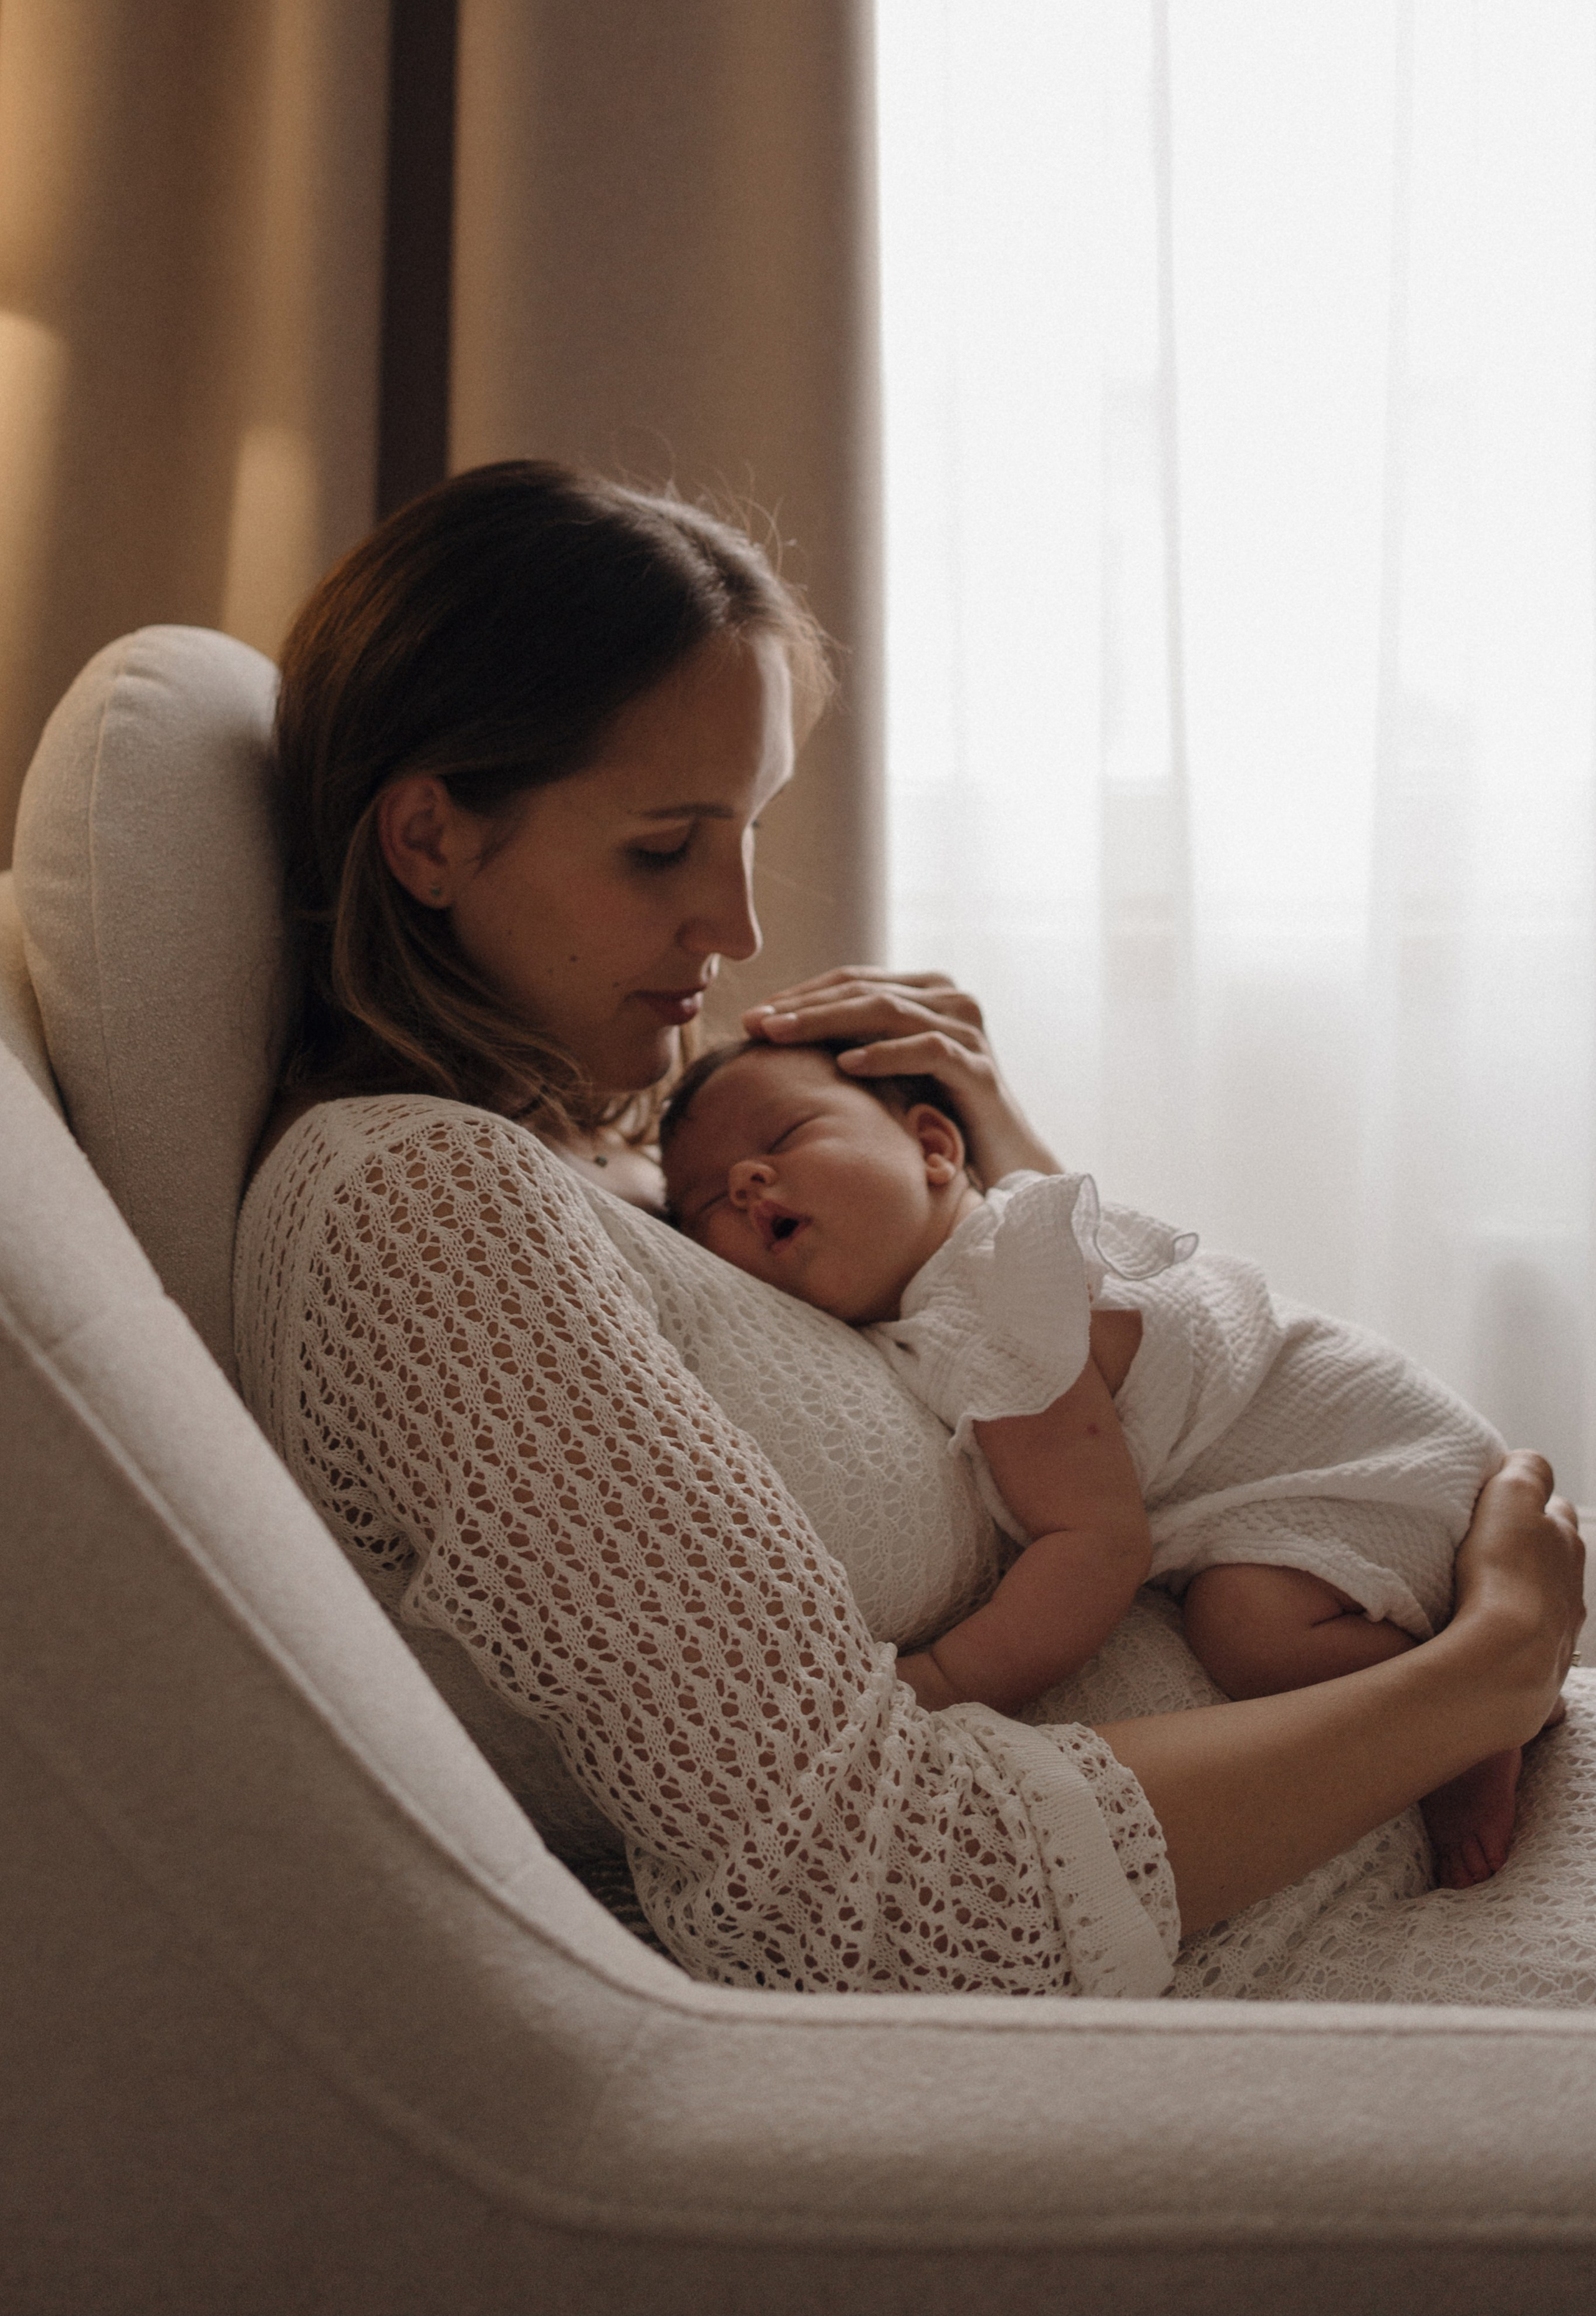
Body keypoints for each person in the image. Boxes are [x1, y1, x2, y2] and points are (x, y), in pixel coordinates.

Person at [237, 458, 1584, 2002]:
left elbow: (1115, 1434)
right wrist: (1478, 1680)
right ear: (428, 840)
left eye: (748, 830)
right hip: (1315, 1956)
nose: (736, 927)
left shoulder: (635, 1165)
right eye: (661, 846)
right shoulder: (423, 1220)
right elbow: (869, 1900)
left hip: (1413, 1819)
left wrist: (993, 1153)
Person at [657, 1038, 1519, 1890]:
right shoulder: (945, 1295)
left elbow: (1096, 1546)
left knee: (1247, 1631)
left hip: (1366, 1462)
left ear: (933, 1146)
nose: (745, 1183)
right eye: (702, 1206)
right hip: (1360, 1442)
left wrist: (949, 1677)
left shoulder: (997, 1303)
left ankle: (1472, 1717)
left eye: (784, 1137)